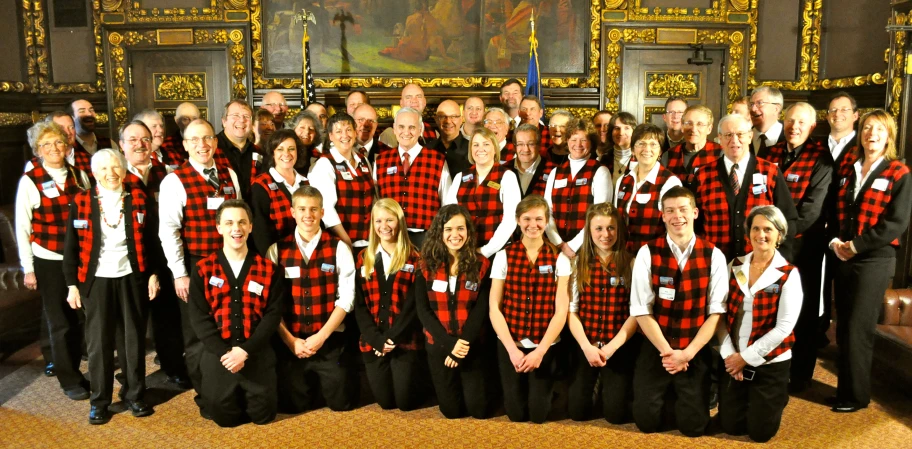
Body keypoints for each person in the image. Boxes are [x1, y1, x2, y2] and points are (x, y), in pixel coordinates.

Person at [63, 149, 158, 424]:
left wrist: (153, 274)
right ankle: (100, 400)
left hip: (132, 276)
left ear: (124, 169)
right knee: (99, 344)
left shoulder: (138, 197)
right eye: (104, 169)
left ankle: (135, 395)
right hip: (95, 281)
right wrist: (72, 285)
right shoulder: (81, 201)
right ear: (94, 173)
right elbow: (71, 248)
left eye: (116, 167)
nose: (111, 173)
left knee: (133, 341)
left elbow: (152, 241)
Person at [829, 109, 912, 413]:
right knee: (843, 325)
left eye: (878, 129)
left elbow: (896, 223)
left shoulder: (898, 173)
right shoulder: (849, 168)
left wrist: (857, 245)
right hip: (844, 256)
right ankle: (845, 391)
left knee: (858, 328)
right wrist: (838, 241)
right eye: (866, 128)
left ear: (888, 135)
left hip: (874, 260)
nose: (871, 134)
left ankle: (856, 396)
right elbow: (837, 212)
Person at [159, 118, 242, 417]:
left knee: (228, 327)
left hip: (230, 264)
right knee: (196, 334)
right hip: (195, 266)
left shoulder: (229, 174)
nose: (202, 145)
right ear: (184, 145)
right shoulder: (174, 180)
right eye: (194, 140)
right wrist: (179, 273)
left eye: (207, 138)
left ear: (216, 142)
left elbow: (239, 221)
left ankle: (228, 388)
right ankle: (205, 395)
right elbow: (168, 231)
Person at [629, 186, 728, 437]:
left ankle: (682, 393)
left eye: (683, 209)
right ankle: (671, 392)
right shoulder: (646, 253)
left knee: (693, 428)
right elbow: (641, 310)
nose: (677, 216)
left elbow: (715, 314)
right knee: (646, 423)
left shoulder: (714, 254)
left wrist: (686, 354)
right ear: (662, 215)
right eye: (670, 210)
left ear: (695, 213)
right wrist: (668, 353)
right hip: (656, 347)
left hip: (694, 348)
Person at [189, 200, 284, 427]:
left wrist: (245, 351)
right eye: (229, 222)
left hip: (256, 350)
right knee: (224, 419)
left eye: (242, 222)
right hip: (219, 354)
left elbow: (272, 315)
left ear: (251, 226)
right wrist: (226, 353)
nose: (236, 228)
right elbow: (199, 318)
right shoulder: (203, 269)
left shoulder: (268, 269)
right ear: (219, 227)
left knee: (263, 416)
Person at [16, 121, 91, 400]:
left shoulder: (80, 175)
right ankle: (69, 378)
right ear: (38, 150)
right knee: (60, 322)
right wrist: (28, 268)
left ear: (67, 145)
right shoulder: (30, 180)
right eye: (46, 144)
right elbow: (22, 228)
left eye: (58, 142)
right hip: (48, 259)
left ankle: (82, 370)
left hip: (80, 259)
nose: (53, 148)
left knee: (82, 318)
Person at [761, 102, 833, 393]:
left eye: (802, 122)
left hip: (804, 249)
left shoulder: (822, 159)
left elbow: (812, 210)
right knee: (768, 307)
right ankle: (768, 366)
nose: (795, 127)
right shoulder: (770, 152)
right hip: (768, 246)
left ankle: (801, 375)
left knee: (800, 313)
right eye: (790, 121)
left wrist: (778, 236)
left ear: (812, 127)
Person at [267, 187, 359, 413]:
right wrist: (290, 341)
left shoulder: (338, 247)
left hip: (328, 338)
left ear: (322, 212)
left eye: (314, 209)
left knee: (341, 404)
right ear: (292, 212)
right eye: (302, 209)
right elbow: (270, 305)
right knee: (291, 406)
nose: (308, 214)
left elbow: (347, 298)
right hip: (292, 340)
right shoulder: (277, 250)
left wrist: (322, 336)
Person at [718, 205, 803, 442]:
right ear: (748, 233)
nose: (760, 235)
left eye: (768, 229)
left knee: (760, 433)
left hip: (770, 362)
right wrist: (730, 356)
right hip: (733, 359)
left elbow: (784, 328)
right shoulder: (735, 265)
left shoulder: (788, 274)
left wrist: (746, 358)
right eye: (755, 228)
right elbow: (720, 314)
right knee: (731, 427)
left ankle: (777, 396)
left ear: (779, 235)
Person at [120, 120, 191, 389]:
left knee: (168, 318)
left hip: (163, 258)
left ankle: (173, 365)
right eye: (133, 140)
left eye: (145, 139)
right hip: (129, 262)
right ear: (122, 145)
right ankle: (132, 379)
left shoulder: (168, 175)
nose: (140, 144)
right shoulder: (115, 177)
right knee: (131, 323)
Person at [489, 195, 570, 423]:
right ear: (517, 220)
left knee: (538, 415)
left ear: (546, 222)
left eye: (538, 219)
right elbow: (494, 308)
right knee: (515, 414)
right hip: (511, 344)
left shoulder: (560, 257)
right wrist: (512, 350)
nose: (532, 225)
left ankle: (548, 389)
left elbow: (561, 311)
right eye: (526, 219)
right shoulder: (503, 255)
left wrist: (540, 351)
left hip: (544, 346)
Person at [415, 204, 493, 419]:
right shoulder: (425, 265)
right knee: (451, 412)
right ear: (439, 232)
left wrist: (462, 344)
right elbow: (423, 310)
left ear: (468, 231)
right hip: (439, 345)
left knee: (479, 411)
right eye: (448, 229)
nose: (455, 235)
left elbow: (481, 309)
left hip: (471, 345)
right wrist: (450, 344)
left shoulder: (481, 264)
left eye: (460, 228)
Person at [567, 202, 639, 423]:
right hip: (586, 345)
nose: (605, 234)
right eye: (598, 228)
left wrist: (610, 348)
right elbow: (572, 312)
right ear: (589, 231)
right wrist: (587, 347)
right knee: (577, 413)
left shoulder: (631, 263)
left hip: (617, 346)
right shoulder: (578, 263)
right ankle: (596, 383)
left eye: (611, 228)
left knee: (616, 415)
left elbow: (636, 314)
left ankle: (610, 388)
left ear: (619, 230)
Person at [692, 114, 797, 261]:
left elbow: (788, 218)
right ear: (719, 139)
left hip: (760, 263)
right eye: (728, 135)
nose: (734, 140)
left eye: (740, 134)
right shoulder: (703, 175)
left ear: (750, 136)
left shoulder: (770, 171)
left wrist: (778, 257)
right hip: (714, 263)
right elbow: (693, 223)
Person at [354, 199, 423, 411]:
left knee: (404, 403)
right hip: (373, 341)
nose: (384, 226)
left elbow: (413, 307)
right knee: (385, 403)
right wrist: (377, 340)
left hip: (404, 340)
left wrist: (391, 338)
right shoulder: (363, 258)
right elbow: (359, 306)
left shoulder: (415, 258)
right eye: (379, 221)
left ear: (399, 222)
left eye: (390, 220)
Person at [375, 107, 452, 248]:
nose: (406, 132)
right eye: (401, 127)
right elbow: (376, 201)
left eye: (412, 127)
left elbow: (448, 203)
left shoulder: (437, 160)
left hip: (426, 238)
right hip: (390, 237)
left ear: (420, 129)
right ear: (394, 129)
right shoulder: (381, 160)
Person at [821, 92, 860, 346]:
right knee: (818, 288)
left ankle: (844, 346)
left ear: (855, 115)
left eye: (844, 109)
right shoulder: (816, 145)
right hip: (816, 228)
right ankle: (818, 335)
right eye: (833, 110)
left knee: (847, 293)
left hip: (847, 232)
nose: (838, 114)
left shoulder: (862, 147)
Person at [444, 128, 520, 258]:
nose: (481, 149)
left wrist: (486, 250)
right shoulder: (460, 177)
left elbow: (510, 220)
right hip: (465, 251)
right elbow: (449, 216)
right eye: (476, 145)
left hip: (498, 252)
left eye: (486, 144)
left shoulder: (507, 176)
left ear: (495, 149)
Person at [544, 117, 613, 259]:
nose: (578, 144)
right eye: (573, 139)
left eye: (583, 140)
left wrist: (573, 246)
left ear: (591, 142)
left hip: (588, 248)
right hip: (556, 248)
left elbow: (599, 216)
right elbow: (547, 211)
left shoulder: (600, 172)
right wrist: (559, 243)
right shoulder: (555, 173)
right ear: (567, 141)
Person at [310, 112, 376, 249]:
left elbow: (372, 199)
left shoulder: (363, 160)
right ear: (331, 136)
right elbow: (326, 209)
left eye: (348, 130)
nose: (345, 135)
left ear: (355, 132)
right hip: (340, 243)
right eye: (339, 131)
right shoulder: (325, 164)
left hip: (369, 241)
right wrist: (345, 241)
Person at [615, 124, 682, 252]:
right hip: (624, 257)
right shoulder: (622, 181)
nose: (647, 149)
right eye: (641, 143)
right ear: (633, 149)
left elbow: (675, 228)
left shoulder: (670, 182)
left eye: (653, 144)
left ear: (660, 151)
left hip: (656, 256)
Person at [251, 129, 310, 254]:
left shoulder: (306, 183)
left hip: (307, 252)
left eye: (291, 149)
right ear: (272, 153)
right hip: (277, 255)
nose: (286, 154)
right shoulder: (261, 185)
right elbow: (260, 231)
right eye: (280, 149)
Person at [660, 105, 721, 188]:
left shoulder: (721, 154)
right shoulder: (668, 156)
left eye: (700, 124)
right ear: (682, 127)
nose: (693, 129)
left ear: (709, 129)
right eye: (689, 123)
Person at [216, 100, 263, 200]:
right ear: (224, 121)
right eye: (235, 115)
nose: (242, 120)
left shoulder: (259, 153)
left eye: (246, 116)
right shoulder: (210, 150)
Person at [504, 123, 555, 198]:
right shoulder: (504, 170)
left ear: (539, 145)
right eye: (520, 144)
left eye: (531, 144)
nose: (525, 149)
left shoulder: (553, 170)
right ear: (514, 147)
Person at [68, 98, 114, 173]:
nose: (89, 114)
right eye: (82, 111)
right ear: (72, 118)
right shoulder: (69, 147)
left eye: (91, 110)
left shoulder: (110, 144)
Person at [431, 99, 470, 179]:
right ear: (436, 120)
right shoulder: (427, 149)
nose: (448, 121)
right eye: (442, 117)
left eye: (453, 116)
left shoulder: (473, 149)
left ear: (462, 119)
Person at [749, 86, 786, 155]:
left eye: (759, 103)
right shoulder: (743, 136)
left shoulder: (789, 137)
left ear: (776, 109)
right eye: (751, 104)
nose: (753, 109)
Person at [604, 112, 636, 183]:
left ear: (634, 132)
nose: (621, 133)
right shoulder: (603, 159)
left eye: (626, 128)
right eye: (617, 128)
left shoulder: (639, 158)